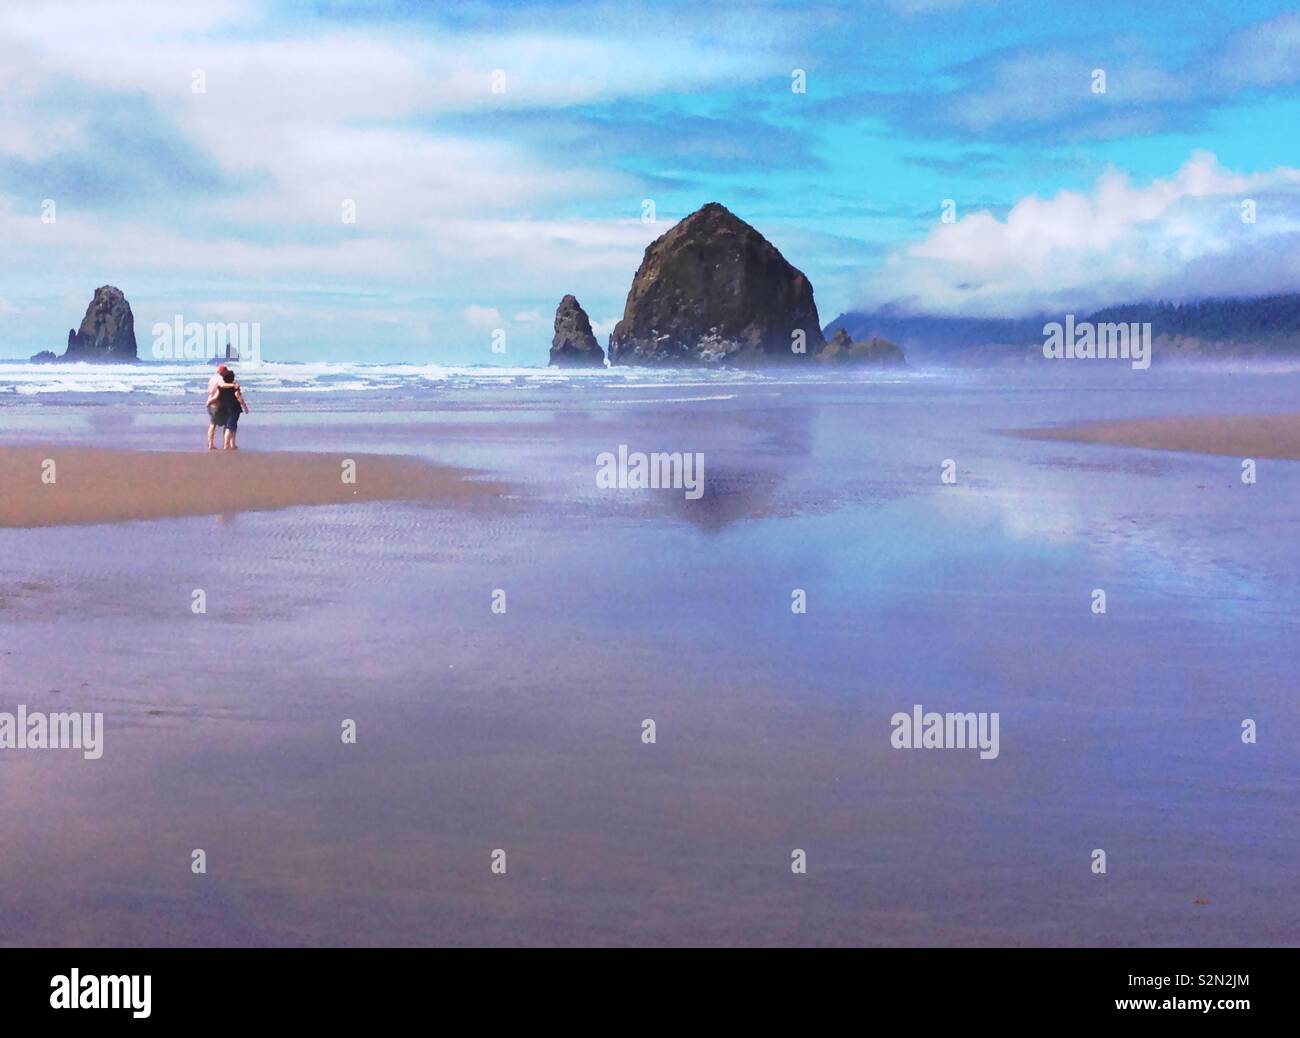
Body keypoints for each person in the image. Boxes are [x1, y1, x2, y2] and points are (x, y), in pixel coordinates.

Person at [208, 369, 250, 450]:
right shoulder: (235, 386)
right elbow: (238, 397)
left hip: (223, 408)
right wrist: (245, 407)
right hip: (234, 407)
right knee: (231, 427)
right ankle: (227, 445)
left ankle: (231, 444)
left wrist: (209, 402)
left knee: (229, 426)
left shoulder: (221, 387)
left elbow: (216, 397)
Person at [205, 364, 230, 450]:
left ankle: (210, 444)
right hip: (216, 405)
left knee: (212, 424)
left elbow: (209, 390)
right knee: (227, 423)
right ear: (223, 371)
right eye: (226, 371)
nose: (226, 373)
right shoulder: (220, 378)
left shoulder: (212, 378)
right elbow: (222, 385)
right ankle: (226, 444)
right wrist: (232, 385)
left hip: (209, 402)